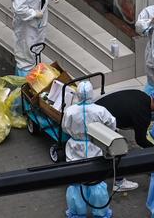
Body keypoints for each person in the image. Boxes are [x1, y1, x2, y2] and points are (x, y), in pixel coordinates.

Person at [95, 88, 154, 192]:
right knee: (118, 147)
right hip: (100, 120)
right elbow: (140, 140)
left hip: (96, 109)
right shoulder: (143, 114)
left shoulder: (140, 94)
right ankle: (119, 182)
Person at [62, 81, 116, 218]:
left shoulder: (70, 111)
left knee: (76, 183)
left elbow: (64, 127)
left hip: (74, 147)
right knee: (96, 182)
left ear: (78, 94)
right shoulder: (100, 110)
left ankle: (77, 213)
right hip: (95, 146)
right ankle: (100, 213)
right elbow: (112, 125)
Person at [10, 0, 60, 76]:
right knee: (26, 57)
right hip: (26, 26)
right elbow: (19, 8)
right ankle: (22, 88)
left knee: (36, 51)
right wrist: (33, 13)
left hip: (39, 22)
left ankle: (33, 82)